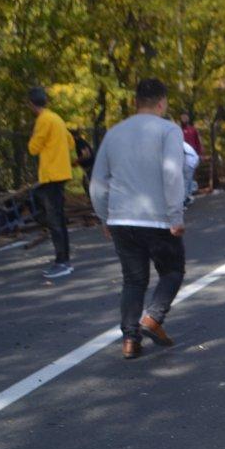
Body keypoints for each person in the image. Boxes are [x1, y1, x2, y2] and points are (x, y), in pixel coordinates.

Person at [88, 78, 186, 360]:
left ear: (134, 102)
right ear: (162, 102)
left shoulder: (114, 133)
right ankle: (153, 318)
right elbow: (172, 174)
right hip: (157, 221)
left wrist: (104, 216)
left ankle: (130, 340)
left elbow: (98, 181)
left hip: (121, 219)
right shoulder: (169, 130)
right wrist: (175, 214)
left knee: (133, 280)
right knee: (171, 271)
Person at [27, 86, 74, 279]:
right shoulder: (57, 119)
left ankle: (62, 260)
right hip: (61, 171)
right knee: (58, 218)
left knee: (54, 219)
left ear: (31, 104)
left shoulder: (43, 120)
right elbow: (70, 142)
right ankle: (63, 258)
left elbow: (33, 148)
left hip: (51, 174)